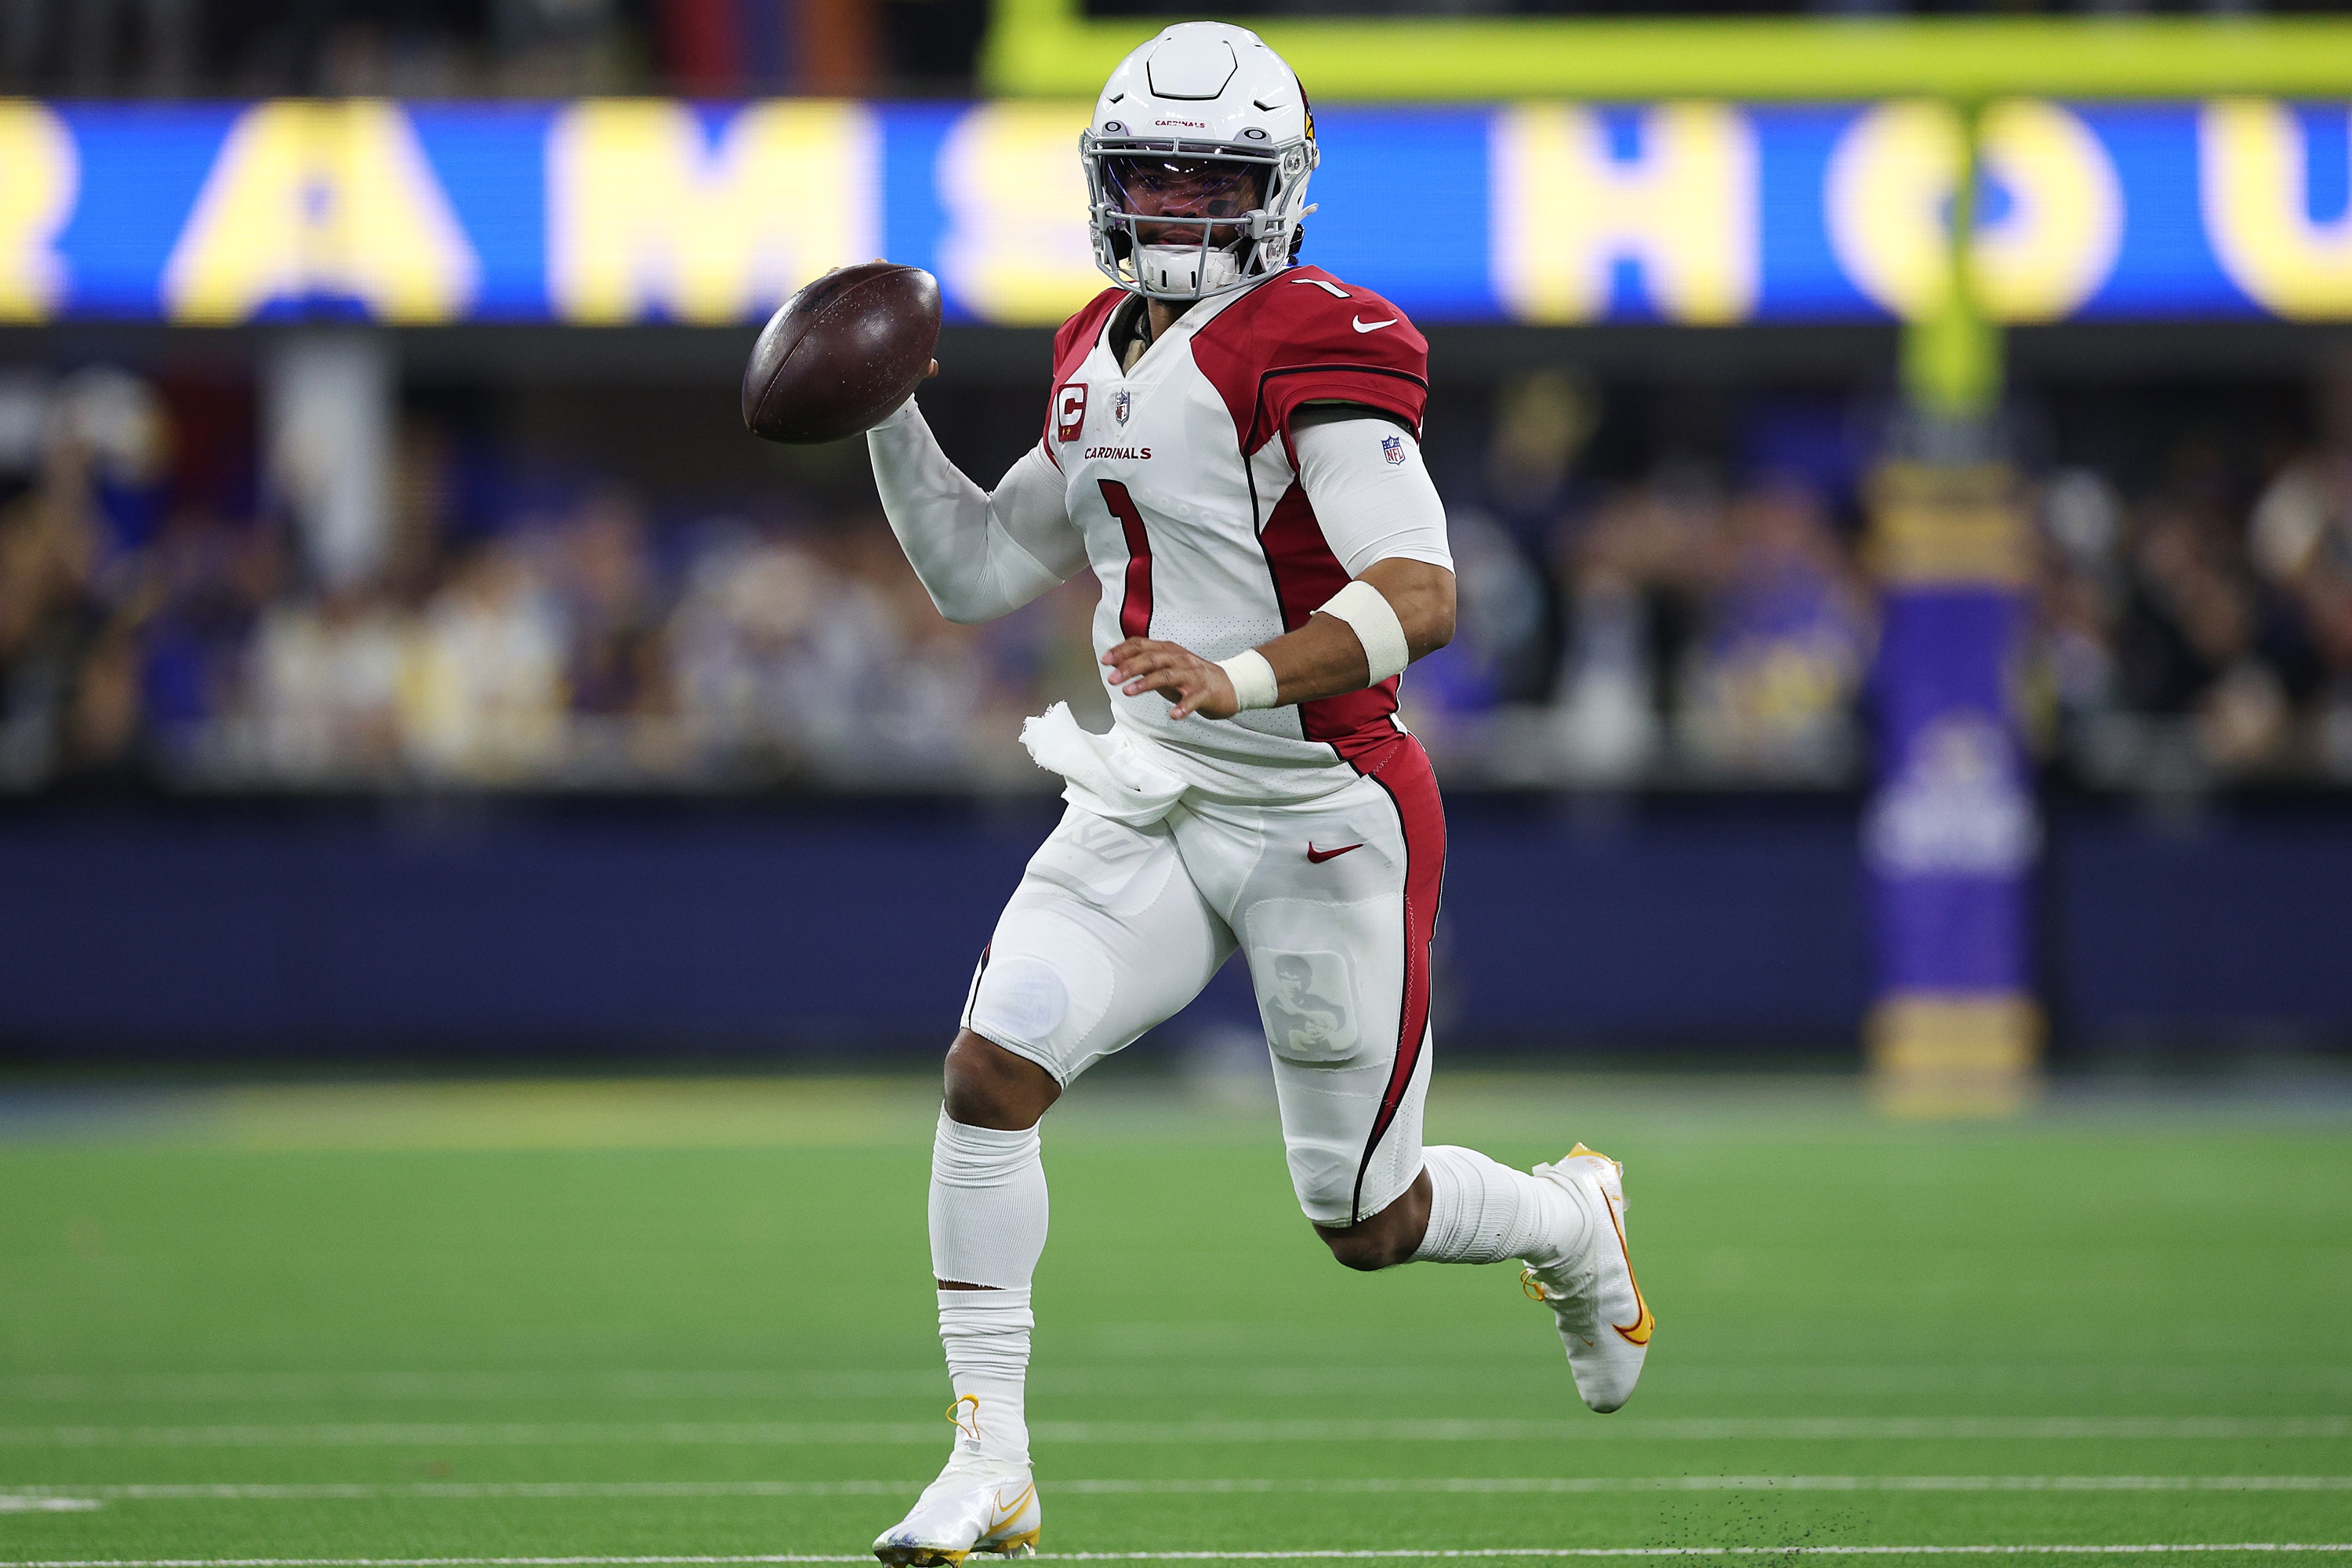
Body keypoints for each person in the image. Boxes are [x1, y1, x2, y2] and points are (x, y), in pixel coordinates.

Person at [861, 24, 1653, 1565]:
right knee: (987, 1076)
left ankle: (1568, 1218)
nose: (1167, 203)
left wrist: (1247, 673)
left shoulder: (1320, 337)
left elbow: (1421, 591)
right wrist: (887, 413)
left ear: (1277, 191)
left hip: (1319, 800)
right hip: (1151, 788)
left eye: (1202, 176)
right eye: (1143, 171)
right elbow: (970, 570)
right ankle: (988, 1461)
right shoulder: (1095, 340)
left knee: (1364, 1217)